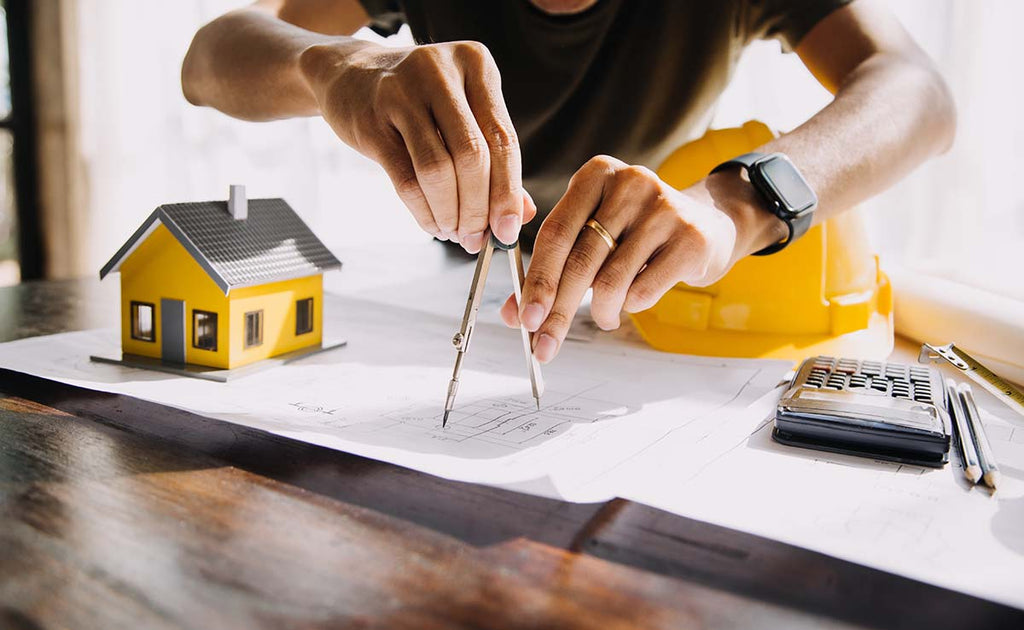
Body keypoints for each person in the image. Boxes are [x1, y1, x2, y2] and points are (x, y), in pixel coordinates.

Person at [182, 0, 955, 364]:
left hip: (652, 288)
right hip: (469, 273)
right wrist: (332, 65)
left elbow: (918, 93)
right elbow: (208, 61)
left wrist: (736, 207)